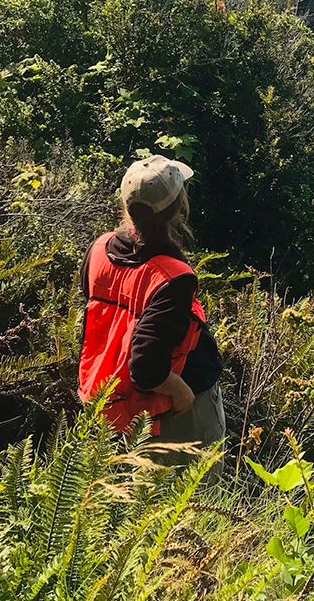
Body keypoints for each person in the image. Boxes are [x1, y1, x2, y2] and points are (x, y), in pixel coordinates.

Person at [77, 155, 224, 457]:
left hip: (112, 399)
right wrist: (180, 390)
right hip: (168, 414)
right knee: (194, 495)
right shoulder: (173, 276)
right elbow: (146, 366)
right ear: (177, 209)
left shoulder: (99, 250)